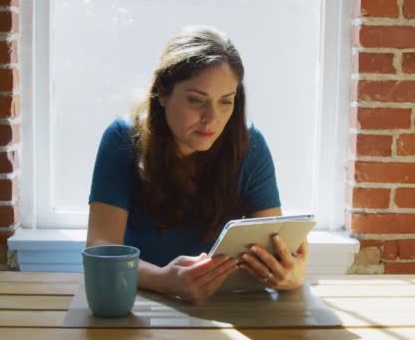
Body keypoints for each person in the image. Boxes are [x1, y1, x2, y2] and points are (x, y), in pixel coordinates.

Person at [87, 25, 308, 304]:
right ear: (163, 93)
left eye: (226, 102)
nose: (211, 118)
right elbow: (101, 248)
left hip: (224, 304)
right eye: (196, 100)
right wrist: (164, 280)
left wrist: (291, 273)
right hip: (141, 301)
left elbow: (274, 243)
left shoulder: (249, 144)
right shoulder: (122, 138)